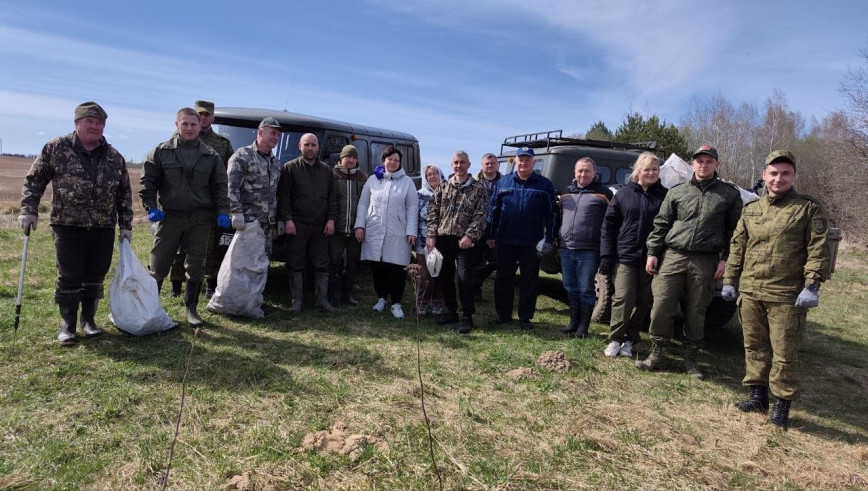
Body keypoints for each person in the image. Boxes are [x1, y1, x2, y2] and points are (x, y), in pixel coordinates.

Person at [723, 150, 831, 430]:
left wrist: (812, 284)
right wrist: (729, 281)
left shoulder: (808, 208)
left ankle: (782, 406)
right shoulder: (751, 209)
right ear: (764, 175)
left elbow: (818, 249)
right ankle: (758, 397)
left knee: (784, 352)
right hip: (751, 290)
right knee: (754, 346)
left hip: (786, 294)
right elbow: (737, 248)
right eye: (773, 173)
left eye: (785, 173)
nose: (778, 178)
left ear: (793, 176)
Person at [19, 101, 134, 345]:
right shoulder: (56, 148)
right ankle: (68, 325)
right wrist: (29, 210)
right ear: (77, 123)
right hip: (67, 223)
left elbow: (124, 192)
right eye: (89, 122)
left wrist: (126, 225)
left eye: (99, 123)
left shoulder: (114, 157)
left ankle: (89, 321)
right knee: (70, 275)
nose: (94, 127)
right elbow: (35, 180)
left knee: (96, 274)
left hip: (103, 226)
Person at [636, 145, 743, 378]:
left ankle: (691, 360)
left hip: (705, 260)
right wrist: (653, 252)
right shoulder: (677, 192)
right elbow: (661, 223)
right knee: (661, 305)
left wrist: (725, 259)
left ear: (716, 164)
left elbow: (734, 232)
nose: (703, 165)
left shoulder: (729, 194)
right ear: (692, 164)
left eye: (708, 161)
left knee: (696, 310)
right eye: (699, 161)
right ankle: (656, 353)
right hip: (673, 255)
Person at [140, 107, 230, 326]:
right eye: (185, 124)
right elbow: (147, 183)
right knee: (158, 263)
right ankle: (151, 308)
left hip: (200, 219)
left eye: (193, 124)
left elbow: (220, 186)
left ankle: (191, 309)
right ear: (176, 125)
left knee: (196, 265)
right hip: (169, 217)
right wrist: (150, 207)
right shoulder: (161, 152)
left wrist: (222, 212)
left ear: (200, 126)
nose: (189, 128)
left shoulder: (211, 156)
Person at [600, 152, 667, 357]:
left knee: (644, 300)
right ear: (638, 171)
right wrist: (606, 255)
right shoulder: (623, 194)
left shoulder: (665, 195)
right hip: (625, 255)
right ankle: (615, 339)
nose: (651, 173)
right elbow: (608, 226)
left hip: (653, 258)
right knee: (623, 297)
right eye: (646, 169)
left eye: (654, 169)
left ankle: (630, 339)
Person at [168, 100, 234, 298]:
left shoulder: (223, 144)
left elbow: (227, 177)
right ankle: (176, 285)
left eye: (207, 115)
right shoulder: (175, 140)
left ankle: (210, 284)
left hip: (209, 205)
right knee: (179, 246)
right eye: (200, 115)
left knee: (210, 245)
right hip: (181, 203)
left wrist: (224, 207)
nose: (203, 118)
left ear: (212, 118)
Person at [487, 146, 557, 330]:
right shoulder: (503, 183)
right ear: (515, 161)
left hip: (531, 243)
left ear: (533, 162)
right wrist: (491, 234)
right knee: (503, 279)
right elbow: (493, 211)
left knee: (529, 281)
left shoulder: (545, 185)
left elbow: (552, 215)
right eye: (521, 159)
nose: (523, 162)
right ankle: (503, 314)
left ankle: (525, 317)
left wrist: (549, 238)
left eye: (527, 159)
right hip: (505, 240)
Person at [426, 151, 489, 333]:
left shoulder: (478, 189)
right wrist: (431, 234)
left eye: (462, 162)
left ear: (469, 165)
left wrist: (470, 236)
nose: (459, 165)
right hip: (444, 239)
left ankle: (467, 315)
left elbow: (481, 216)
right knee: (445, 277)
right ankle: (451, 311)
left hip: (465, 242)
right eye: (456, 162)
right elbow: (433, 212)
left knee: (464, 278)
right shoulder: (444, 187)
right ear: (451, 165)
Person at [354, 146, 419, 319]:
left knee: (396, 268)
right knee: (378, 266)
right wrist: (359, 225)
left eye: (396, 160)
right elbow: (362, 204)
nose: (393, 162)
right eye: (390, 159)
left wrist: (411, 230)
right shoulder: (372, 180)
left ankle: (396, 302)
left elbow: (412, 207)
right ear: (384, 160)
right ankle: (381, 298)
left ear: (400, 163)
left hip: (397, 232)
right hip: (375, 229)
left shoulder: (407, 182)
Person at [277, 133, 337, 313]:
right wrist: (288, 220)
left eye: (313, 145)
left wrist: (331, 220)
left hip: (320, 225)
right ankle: (297, 302)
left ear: (318, 147)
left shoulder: (327, 170)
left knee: (322, 262)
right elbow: (284, 197)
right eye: (307, 145)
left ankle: (322, 301)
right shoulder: (290, 168)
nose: (310, 148)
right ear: (300, 146)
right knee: (295, 263)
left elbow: (332, 198)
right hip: (297, 224)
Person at [558, 157, 613, 338]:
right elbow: (558, 218)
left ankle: (583, 326)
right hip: (566, 248)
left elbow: (610, 224)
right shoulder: (565, 193)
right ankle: (573, 322)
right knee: (570, 286)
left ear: (594, 173)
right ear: (575, 172)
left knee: (586, 288)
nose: (583, 174)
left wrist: (606, 251)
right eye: (580, 170)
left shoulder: (604, 194)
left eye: (587, 171)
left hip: (589, 250)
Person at [226, 117, 283, 253]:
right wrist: (236, 211)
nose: (276, 137)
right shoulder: (242, 155)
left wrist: (279, 218)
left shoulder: (275, 163)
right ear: (260, 133)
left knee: (262, 262)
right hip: (247, 221)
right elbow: (231, 186)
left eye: (278, 135)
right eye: (273, 133)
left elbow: (277, 193)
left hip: (268, 224)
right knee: (244, 262)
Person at [330, 145, 368, 306]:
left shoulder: (362, 177)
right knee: (334, 262)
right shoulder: (332, 174)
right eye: (348, 157)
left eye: (354, 157)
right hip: (336, 228)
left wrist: (361, 225)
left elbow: (366, 203)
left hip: (355, 229)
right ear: (341, 158)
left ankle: (348, 295)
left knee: (352, 264)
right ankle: (332, 295)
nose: (351, 160)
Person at [415, 164, 446, 316]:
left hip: (443, 241)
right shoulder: (419, 194)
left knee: (439, 273)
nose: (432, 176)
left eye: (435, 173)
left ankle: (438, 303)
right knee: (425, 274)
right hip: (423, 241)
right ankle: (421, 303)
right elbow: (413, 217)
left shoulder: (448, 192)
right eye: (429, 174)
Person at [472, 152, 502, 299]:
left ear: (497, 165)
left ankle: (475, 281)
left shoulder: (505, 182)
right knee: (475, 260)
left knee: (493, 260)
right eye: (487, 163)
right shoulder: (473, 182)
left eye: (492, 163)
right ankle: (475, 289)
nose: (490, 166)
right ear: (481, 165)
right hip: (476, 227)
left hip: (496, 227)